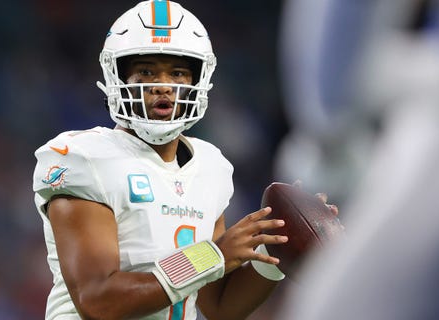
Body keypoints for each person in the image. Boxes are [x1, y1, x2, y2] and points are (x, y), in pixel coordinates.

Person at [32, 1, 334, 319]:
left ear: (197, 80)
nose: (163, 85)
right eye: (146, 71)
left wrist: (274, 250)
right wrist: (212, 255)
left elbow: (217, 306)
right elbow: (99, 301)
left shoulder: (211, 166)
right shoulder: (83, 158)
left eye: (177, 72)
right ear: (117, 76)